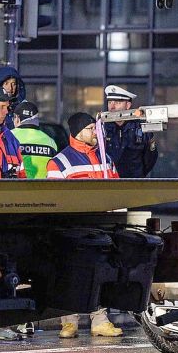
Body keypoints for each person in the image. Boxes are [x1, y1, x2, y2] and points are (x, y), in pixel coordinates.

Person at [48, 112, 122, 338]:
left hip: (100, 226)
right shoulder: (59, 162)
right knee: (71, 274)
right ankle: (69, 322)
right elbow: (55, 200)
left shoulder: (104, 158)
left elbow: (118, 189)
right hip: (72, 228)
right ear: (79, 132)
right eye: (91, 128)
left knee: (99, 273)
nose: (96, 133)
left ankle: (99, 320)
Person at [103, 85, 158, 178]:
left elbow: (151, 157)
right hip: (109, 183)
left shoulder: (141, 128)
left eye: (117, 103)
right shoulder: (102, 128)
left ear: (128, 105)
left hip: (134, 184)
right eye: (110, 102)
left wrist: (138, 174)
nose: (112, 107)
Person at [11, 101, 58, 180]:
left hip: (18, 189)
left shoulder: (9, 137)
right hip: (42, 189)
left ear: (17, 118)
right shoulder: (50, 142)